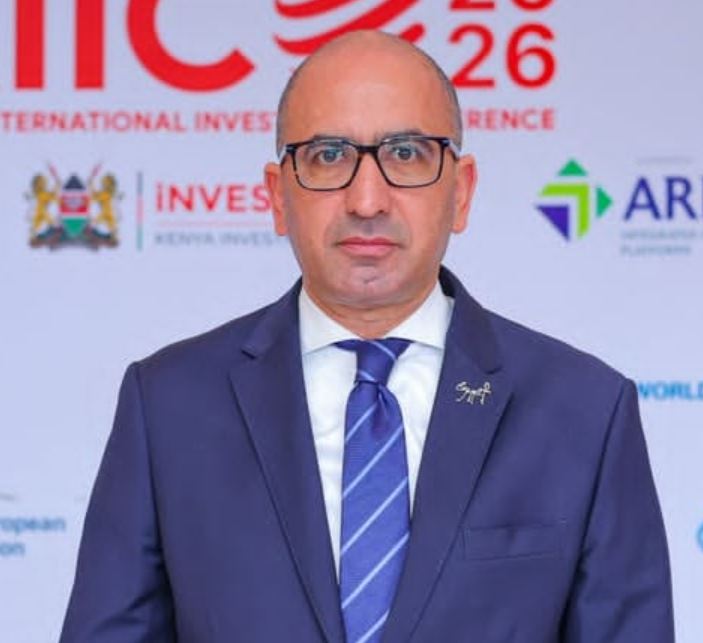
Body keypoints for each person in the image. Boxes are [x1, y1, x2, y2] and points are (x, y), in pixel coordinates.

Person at [60, 30, 674, 643]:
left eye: (406, 153)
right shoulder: (169, 405)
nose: (367, 199)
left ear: (461, 191)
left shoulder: (585, 411)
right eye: (328, 156)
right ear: (278, 196)